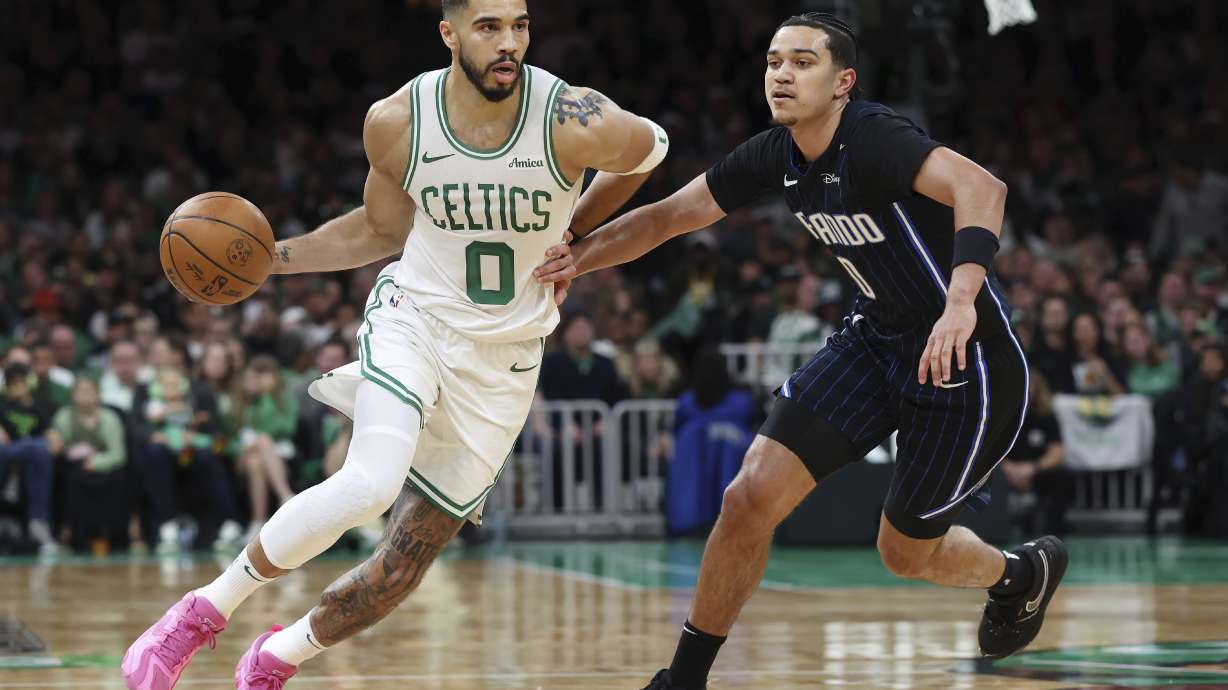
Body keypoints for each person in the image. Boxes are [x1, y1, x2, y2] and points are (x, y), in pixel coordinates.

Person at [121, 0, 665, 687]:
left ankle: (276, 657)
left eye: (519, 26)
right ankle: (198, 614)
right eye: (488, 27)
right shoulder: (399, 122)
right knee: (369, 483)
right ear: (450, 32)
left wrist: (578, 233)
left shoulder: (572, 118)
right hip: (416, 318)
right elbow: (380, 231)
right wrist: (269, 260)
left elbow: (653, 148)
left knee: (398, 568)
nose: (508, 43)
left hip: (506, 357)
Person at [546, 13, 1065, 688]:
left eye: (801, 62)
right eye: (772, 62)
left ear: (843, 82)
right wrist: (573, 261)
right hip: (876, 338)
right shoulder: (774, 154)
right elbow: (671, 215)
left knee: (904, 553)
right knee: (747, 498)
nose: (782, 74)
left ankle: (1020, 572)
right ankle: (683, 679)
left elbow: (982, 188)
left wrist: (962, 298)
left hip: (966, 361)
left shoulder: (875, 138)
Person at [0, 363, 58, 554]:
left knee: (39, 448)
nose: (18, 387)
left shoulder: (42, 406)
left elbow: (54, 441)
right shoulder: (1, 405)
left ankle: (38, 523)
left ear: (30, 382)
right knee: (32, 447)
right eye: (12, 383)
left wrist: (51, 441)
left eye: (21, 382)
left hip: (33, 453)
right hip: (7, 452)